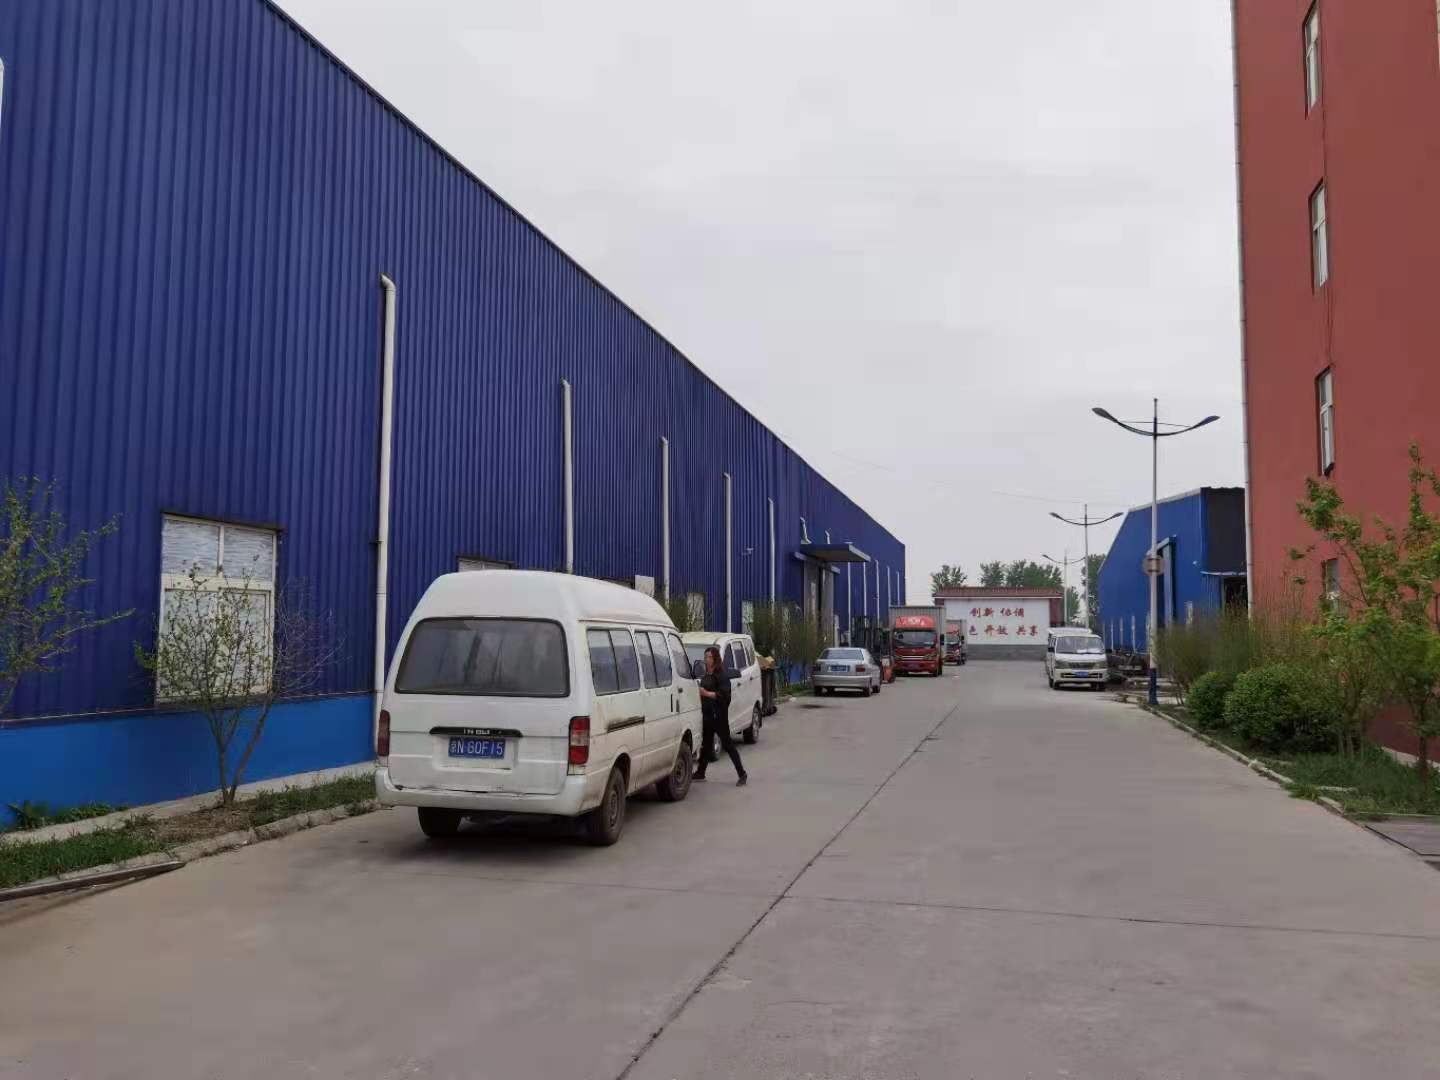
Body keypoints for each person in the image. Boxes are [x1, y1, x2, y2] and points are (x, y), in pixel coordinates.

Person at [695, 646, 747, 786]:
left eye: (709, 657)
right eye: (705, 657)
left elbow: (724, 695)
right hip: (707, 715)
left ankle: (742, 773)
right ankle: (700, 772)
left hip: (718, 716)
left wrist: (706, 693)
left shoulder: (721, 675)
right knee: (706, 744)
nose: (707, 660)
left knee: (728, 745)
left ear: (715, 659)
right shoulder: (706, 674)